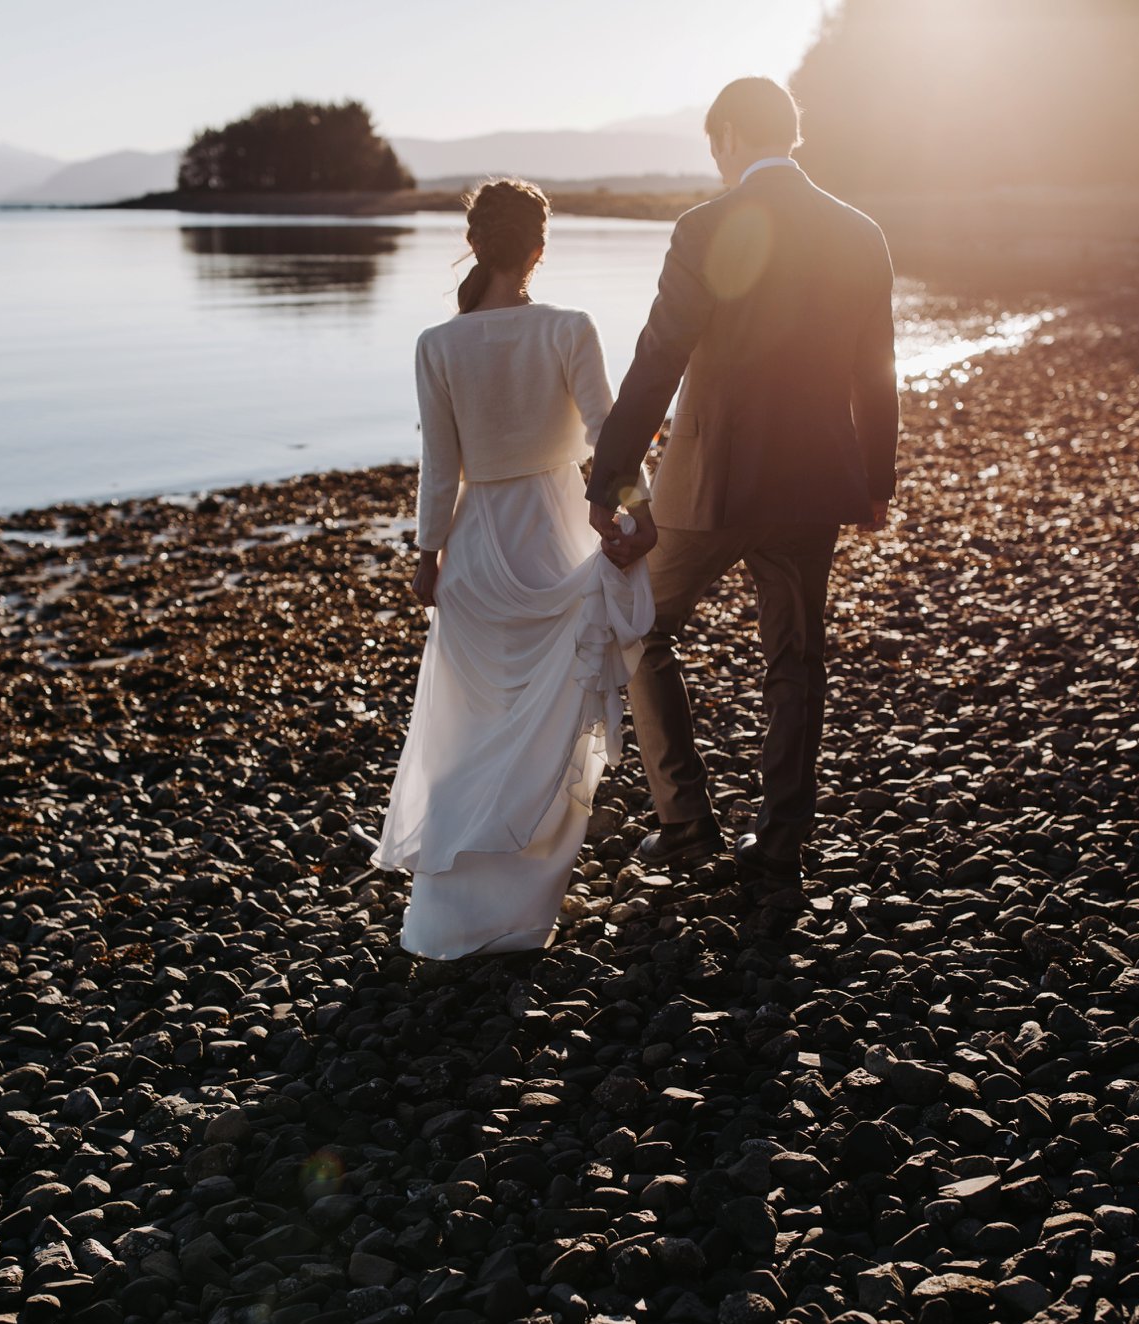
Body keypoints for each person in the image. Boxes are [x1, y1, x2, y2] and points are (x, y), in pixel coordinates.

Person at [587, 76, 900, 897]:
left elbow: (658, 357)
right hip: (814, 483)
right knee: (795, 659)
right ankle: (780, 840)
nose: (715, 158)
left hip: (711, 483)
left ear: (728, 136)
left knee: (639, 629)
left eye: (712, 143)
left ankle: (686, 823)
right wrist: (874, 480)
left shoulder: (704, 227)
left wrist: (613, 473)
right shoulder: (860, 231)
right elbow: (877, 373)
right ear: (789, 136)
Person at [373, 178, 656, 959]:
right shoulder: (568, 328)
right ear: (538, 249)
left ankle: (449, 918)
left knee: (469, 730)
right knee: (548, 730)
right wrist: (635, 512)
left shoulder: (437, 344)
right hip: (555, 536)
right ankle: (523, 913)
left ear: (474, 244)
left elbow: (440, 466)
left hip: (475, 546)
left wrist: (427, 555)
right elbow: (609, 435)